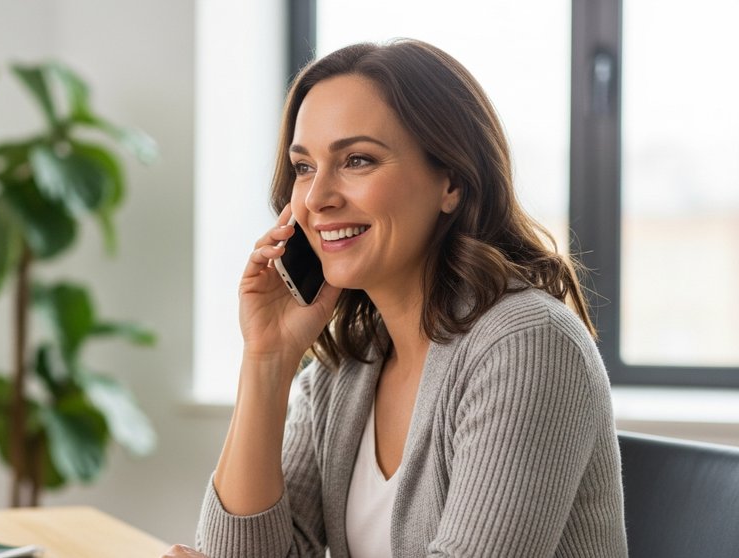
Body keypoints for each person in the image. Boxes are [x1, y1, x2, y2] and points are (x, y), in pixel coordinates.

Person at [164, 39, 627, 558]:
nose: (317, 198)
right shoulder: (345, 369)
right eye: (304, 167)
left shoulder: (528, 345)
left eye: (357, 160)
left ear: (450, 180)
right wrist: (267, 360)